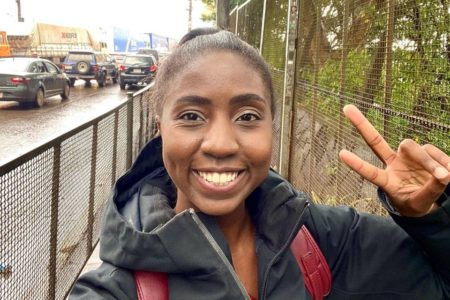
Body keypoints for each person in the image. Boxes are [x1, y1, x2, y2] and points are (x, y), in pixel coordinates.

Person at [69, 28, 450, 300]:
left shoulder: (323, 239)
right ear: (160, 131)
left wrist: (430, 218)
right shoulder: (117, 288)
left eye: (248, 116)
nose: (220, 144)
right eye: (191, 116)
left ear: (273, 126)